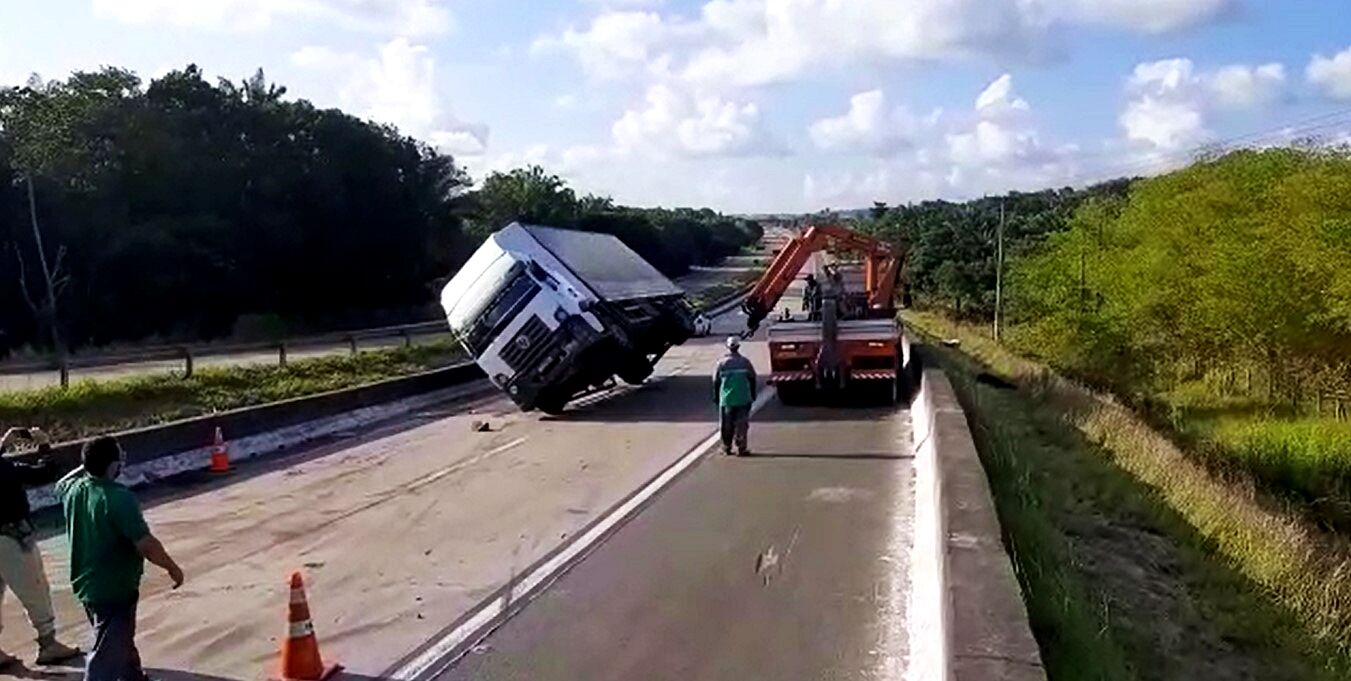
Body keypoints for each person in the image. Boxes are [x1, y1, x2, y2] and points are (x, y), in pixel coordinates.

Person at [56, 436, 184, 681]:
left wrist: (87, 464)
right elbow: (146, 544)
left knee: (119, 639)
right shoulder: (117, 497)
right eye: (119, 458)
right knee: (106, 654)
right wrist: (172, 568)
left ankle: (133, 678)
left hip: (87, 585)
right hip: (113, 587)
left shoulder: (74, 489)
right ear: (112, 466)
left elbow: (61, 483)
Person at [0, 428, 82, 668]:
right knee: (35, 590)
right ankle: (48, 644)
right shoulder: (7, 470)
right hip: (12, 538)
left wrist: (4, 445)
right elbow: (45, 472)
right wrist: (44, 445)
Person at [712, 336, 758, 457]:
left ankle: (726, 447)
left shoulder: (721, 363)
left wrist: (716, 397)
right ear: (738, 347)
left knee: (726, 425)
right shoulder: (745, 362)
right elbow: (752, 378)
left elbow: (716, 382)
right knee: (742, 424)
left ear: (727, 347)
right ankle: (741, 448)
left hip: (727, 399)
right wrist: (753, 394)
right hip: (743, 398)